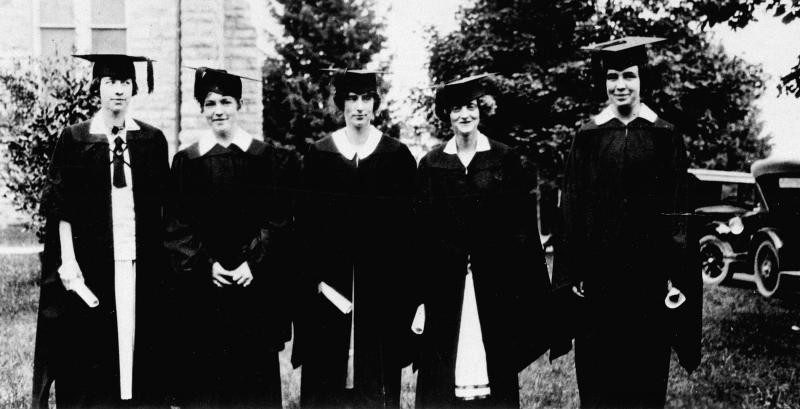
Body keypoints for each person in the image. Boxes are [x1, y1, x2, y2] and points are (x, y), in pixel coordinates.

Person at [552, 36, 701, 409]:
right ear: (604, 81)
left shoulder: (665, 135)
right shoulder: (588, 137)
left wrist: (677, 272)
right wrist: (574, 271)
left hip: (648, 280)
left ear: (641, 78)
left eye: (629, 76)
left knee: (645, 377)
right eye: (613, 76)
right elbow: (571, 206)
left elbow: (679, 208)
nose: (621, 85)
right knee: (599, 378)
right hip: (599, 280)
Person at [32, 54, 170, 408]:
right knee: (94, 344)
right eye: (110, 83)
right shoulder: (76, 138)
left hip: (140, 259)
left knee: (138, 340)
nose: (118, 91)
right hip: (92, 263)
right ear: (98, 88)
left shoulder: (152, 140)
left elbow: (164, 206)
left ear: (135, 88)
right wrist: (68, 259)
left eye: (125, 83)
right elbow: (61, 206)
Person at [413, 74, 552, 409]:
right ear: (446, 113)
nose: (465, 115)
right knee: (443, 378)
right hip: (444, 288)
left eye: (471, 106)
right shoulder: (432, 164)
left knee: (495, 377)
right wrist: (419, 296)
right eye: (457, 108)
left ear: (481, 109)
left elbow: (520, 230)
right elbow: (419, 236)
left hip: (494, 287)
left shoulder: (505, 159)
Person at [164, 67, 298, 408]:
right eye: (210, 103)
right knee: (206, 386)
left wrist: (253, 263)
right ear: (202, 109)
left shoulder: (266, 158)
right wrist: (206, 266)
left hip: (253, 290)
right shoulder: (186, 162)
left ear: (239, 103)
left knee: (253, 388)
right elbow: (176, 227)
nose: (218, 110)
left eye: (226, 101)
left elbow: (279, 220)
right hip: (205, 293)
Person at [291, 68, 418, 408]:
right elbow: (304, 228)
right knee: (325, 376)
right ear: (340, 104)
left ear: (376, 104)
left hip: (381, 289)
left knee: (376, 376)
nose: (359, 106)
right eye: (351, 98)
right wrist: (314, 280)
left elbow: (409, 231)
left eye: (366, 98)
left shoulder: (397, 156)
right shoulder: (320, 154)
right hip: (328, 289)